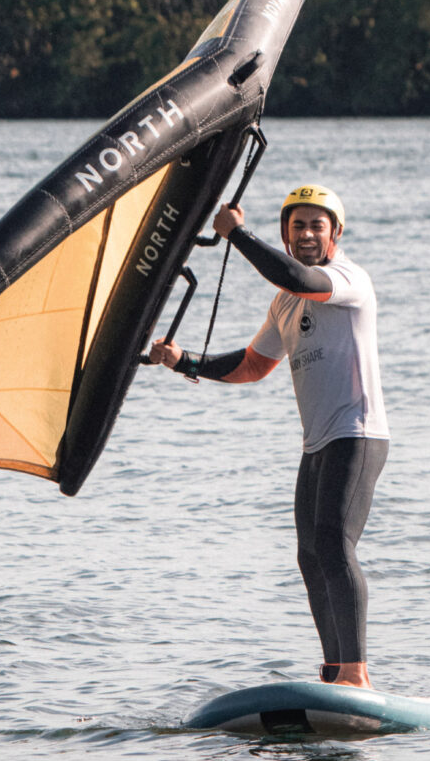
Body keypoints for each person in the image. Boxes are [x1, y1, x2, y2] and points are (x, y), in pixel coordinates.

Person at [148, 186, 390, 688]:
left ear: (335, 233)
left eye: (315, 226)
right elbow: (252, 366)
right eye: (297, 226)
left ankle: (357, 673)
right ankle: (332, 670)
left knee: (334, 543)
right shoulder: (284, 305)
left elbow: (296, 275)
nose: (305, 235)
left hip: (357, 434)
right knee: (309, 553)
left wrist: (235, 233)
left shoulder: (346, 279)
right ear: (286, 232)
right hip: (317, 445)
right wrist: (184, 361)